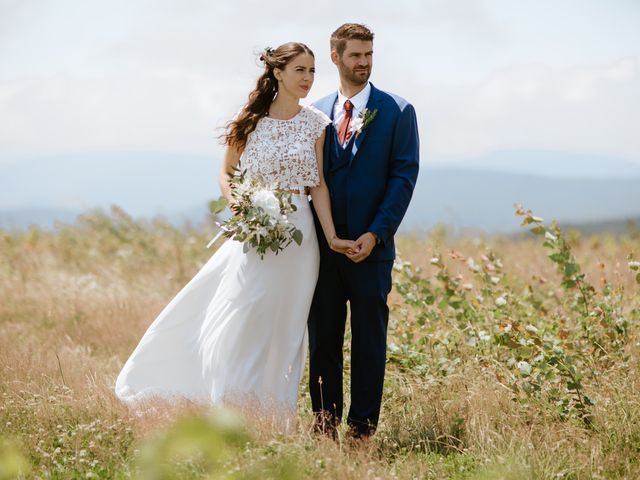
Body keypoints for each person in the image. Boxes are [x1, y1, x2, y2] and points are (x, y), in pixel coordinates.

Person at [115, 42, 354, 416]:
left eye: (312, 71)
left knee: (286, 328)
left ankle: (273, 415)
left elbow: (318, 184)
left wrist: (332, 236)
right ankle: (228, 402)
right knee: (245, 313)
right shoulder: (250, 118)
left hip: (300, 238)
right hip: (255, 230)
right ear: (278, 73)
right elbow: (226, 172)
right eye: (300, 70)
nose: (308, 78)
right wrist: (242, 205)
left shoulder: (316, 124)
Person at [308, 23, 420, 438]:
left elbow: (403, 178)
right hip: (323, 249)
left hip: (373, 248)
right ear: (335, 57)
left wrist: (376, 234)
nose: (364, 63)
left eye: (369, 54)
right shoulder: (315, 112)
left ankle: (362, 431)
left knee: (369, 343)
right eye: (355, 55)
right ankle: (323, 427)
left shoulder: (399, 111)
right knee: (323, 342)